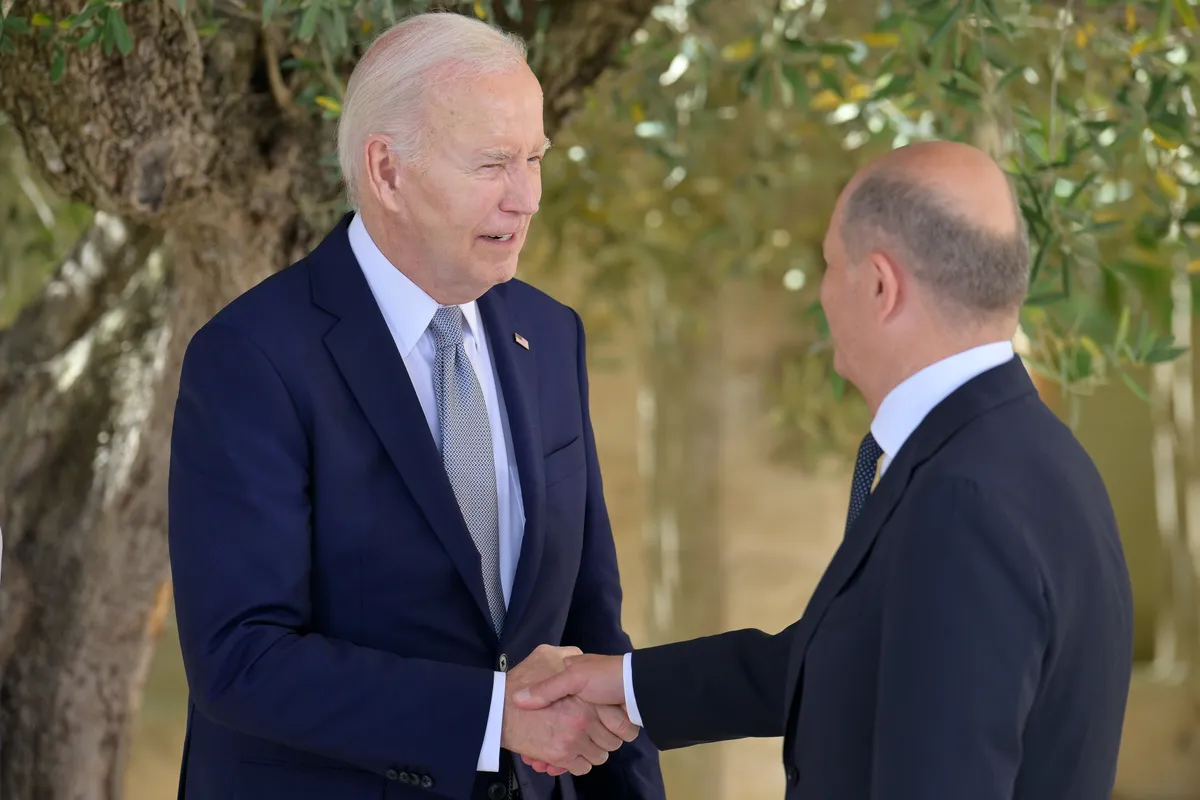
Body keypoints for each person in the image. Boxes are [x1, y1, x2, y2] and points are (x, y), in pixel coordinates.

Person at [514, 140, 1135, 799]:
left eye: (828, 265)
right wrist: (626, 686)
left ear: (878, 286)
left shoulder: (963, 502)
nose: (823, 292)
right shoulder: (1032, 454)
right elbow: (856, 663)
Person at [166, 11, 664, 800]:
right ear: (387, 171)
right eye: (493, 164)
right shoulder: (251, 357)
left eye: (535, 159)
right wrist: (494, 716)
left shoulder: (550, 334)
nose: (527, 197)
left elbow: (589, 630)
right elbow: (241, 657)